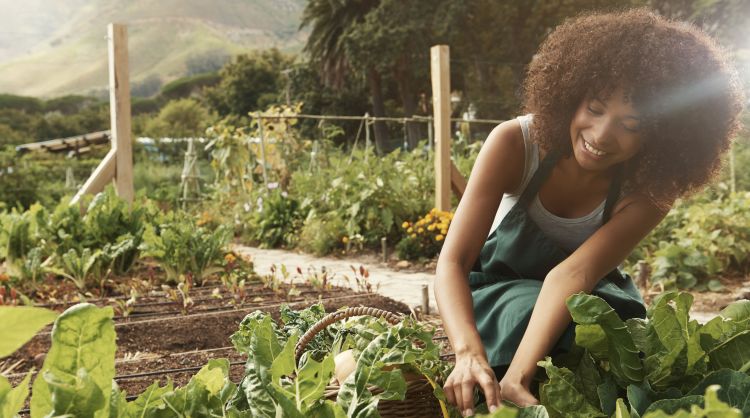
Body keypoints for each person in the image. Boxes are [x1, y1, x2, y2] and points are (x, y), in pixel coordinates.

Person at [434, 9, 744, 416]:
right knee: (540, 316)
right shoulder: (514, 143)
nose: (600, 136)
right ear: (571, 94)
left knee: (611, 330)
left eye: (630, 125)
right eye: (595, 108)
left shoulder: (650, 192)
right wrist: (467, 352)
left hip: (583, 293)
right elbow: (452, 262)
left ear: (661, 135)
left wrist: (518, 376)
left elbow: (574, 275)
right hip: (498, 291)